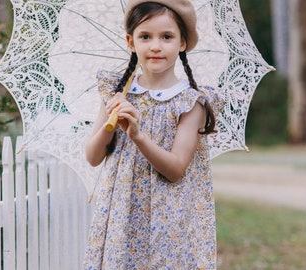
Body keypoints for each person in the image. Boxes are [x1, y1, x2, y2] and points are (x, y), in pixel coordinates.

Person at [84, 0, 223, 268]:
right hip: (121, 216)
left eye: (167, 37)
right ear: (131, 42)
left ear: (182, 43)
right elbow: (92, 157)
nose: (156, 46)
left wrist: (138, 135)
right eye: (145, 36)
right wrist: (109, 123)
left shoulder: (190, 103)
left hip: (169, 222)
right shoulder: (116, 92)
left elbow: (175, 169)